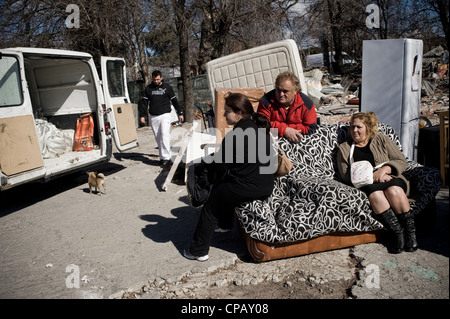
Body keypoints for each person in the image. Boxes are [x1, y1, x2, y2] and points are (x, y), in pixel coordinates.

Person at [184, 93, 275, 261]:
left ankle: (198, 251)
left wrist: (206, 176)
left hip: (250, 187)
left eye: (227, 111)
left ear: (238, 112)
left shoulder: (236, 135)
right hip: (266, 185)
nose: (224, 115)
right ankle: (225, 224)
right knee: (225, 186)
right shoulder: (259, 130)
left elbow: (219, 167)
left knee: (211, 204)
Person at [336, 112, 417, 254]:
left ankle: (410, 233)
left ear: (368, 127)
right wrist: (373, 177)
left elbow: (400, 160)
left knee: (394, 190)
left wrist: (385, 170)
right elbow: (345, 176)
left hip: (391, 178)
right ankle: (397, 233)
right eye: (352, 127)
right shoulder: (344, 148)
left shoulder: (382, 139)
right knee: (375, 195)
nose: (354, 130)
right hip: (367, 184)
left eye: (358, 127)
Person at [138, 70, 184, 168]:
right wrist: (142, 115)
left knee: (165, 135)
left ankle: (167, 159)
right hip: (154, 116)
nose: (156, 81)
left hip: (165, 114)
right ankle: (162, 158)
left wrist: (180, 112)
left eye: (158, 79)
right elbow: (144, 103)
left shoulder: (167, 87)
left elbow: (174, 101)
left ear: (161, 78)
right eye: (154, 79)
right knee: (158, 137)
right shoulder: (148, 89)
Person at [257, 71, 317, 142]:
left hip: (299, 138)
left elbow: (311, 128)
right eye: (278, 90)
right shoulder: (265, 101)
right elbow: (261, 124)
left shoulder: (306, 104)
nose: (281, 94)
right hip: (273, 139)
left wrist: (289, 130)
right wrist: (284, 130)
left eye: (285, 91)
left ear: (295, 91)